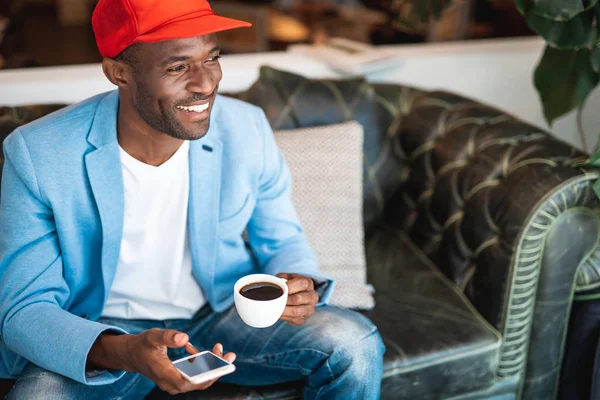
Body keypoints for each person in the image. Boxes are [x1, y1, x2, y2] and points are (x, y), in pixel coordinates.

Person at [0, 0, 385, 398]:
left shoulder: (246, 126)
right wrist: (127, 351)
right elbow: (24, 310)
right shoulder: (38, 153)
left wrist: (298, 281)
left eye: (212, 57)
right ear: (119, 72)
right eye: (178, 66)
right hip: (103, 330)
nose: (205, 83)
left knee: (354, 344)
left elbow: (282, 238)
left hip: (219, 314)